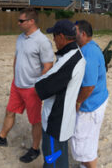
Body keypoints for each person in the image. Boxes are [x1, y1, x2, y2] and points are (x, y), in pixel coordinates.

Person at [0, 8, 55, 164]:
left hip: (32, 88)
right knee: (9, 111)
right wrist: (15, 78)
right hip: (17, 85)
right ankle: (2, 138)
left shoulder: (42, 41)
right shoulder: (20, 38)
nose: (18, 23)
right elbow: (17, 58)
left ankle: (35, 149)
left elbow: (48, 66)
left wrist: (38, 86)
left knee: (35, 121)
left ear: (31, 21)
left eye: (21, 21)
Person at [35, 19, 86, 168]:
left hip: (55, 123)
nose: (53, 39)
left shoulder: (69, 61)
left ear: (62, 37)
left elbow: (42, 87)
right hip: (64, 120)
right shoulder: (74, 54)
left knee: (52, 159)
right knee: (59, 156)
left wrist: (40, 79)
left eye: (55, 35)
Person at [71, 20, 108, 168]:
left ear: (83, 34)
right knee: (88, 141)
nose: (73, 36)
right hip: (98, 99)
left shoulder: (89, 52)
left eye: (75, 33)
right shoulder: (90, 46)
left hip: (91, 105)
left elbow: (89, 86)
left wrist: (78, 102)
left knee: (83, 146)